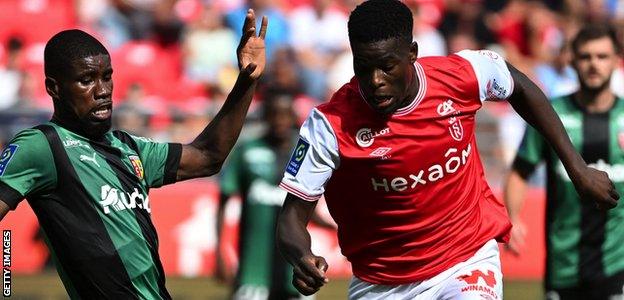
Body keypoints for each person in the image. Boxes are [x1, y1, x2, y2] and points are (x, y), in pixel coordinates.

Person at [275, 1, 619, 299]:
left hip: (466, 259)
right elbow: (291, 219)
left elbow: (521, 87)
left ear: (412, 53)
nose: (375, 80)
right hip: (381, 282)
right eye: (363, 68)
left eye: (387, 66)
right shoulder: (329, 125)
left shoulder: (462, 75)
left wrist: (577, 167)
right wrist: (301, 255)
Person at [0, 10, 267, 299]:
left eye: (107, 77)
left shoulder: (129, 147)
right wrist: (5, 279)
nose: (102, 90)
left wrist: (247, 79)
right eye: (86, 80)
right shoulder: (41, 146)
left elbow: (207, 156)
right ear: (54, 88)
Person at [504, 24, 624, 300]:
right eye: (586, 57)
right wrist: (513, 216)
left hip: (618, 264)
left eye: (602, 56)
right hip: (564, 264)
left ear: (617, 61)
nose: (594, 64)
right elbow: (521, 171)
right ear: (572, 61)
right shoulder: (551, 114)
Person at [215, 94, 308, 300]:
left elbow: (307, 206)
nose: (279, 121)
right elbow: (223, 201)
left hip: (296, 269)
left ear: (293, 117)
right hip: (253, 272)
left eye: (284, 115)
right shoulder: (246, 151)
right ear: (265, 117)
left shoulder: (303, 152)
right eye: (274, 115)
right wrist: (220, 252)